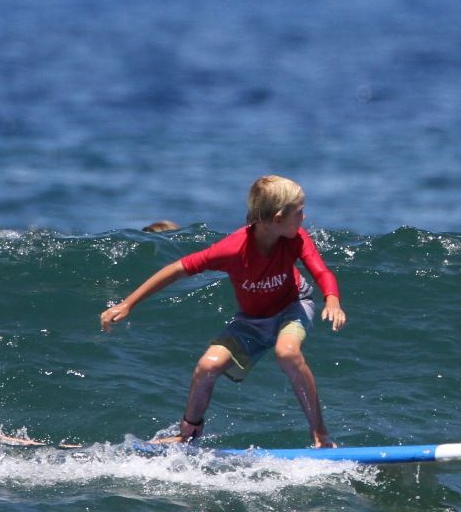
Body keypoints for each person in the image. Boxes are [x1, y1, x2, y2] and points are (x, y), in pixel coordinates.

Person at [101, 175, 346, 447]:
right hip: (253, 321)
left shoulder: (296, 239)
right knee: (208, 365)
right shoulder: (232, 249)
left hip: (294, 305)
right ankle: (188, 434)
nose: (304, 216)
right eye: (299, 211)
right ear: (278, 218)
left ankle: (320, 435)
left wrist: (332, 299)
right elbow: (177, 269)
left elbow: (321, 271)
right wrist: (128, 303)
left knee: (286, 352)